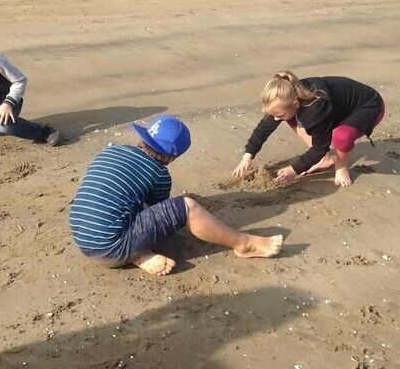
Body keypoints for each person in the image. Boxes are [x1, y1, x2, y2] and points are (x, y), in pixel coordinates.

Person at [70, 115, 284, 276]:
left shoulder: (111, 151)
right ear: (172, 157)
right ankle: (243, 243)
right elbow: (160, 215)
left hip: (82, 237)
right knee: (186, 207)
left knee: (124, 201)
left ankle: (137, 254)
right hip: (111, 247)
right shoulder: (159, 173)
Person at [233, 72, 384, 188]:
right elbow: (264, 128)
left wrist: (294, 170)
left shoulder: (315, 111)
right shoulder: (288, 93)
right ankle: (324, 161)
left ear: (295, 103)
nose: (276, 119)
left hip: (369, 106)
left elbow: (320, 146)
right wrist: (248, 155)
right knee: (288, 116)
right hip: (338, 109)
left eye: (278, 115)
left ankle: (341, 166)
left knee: (341, 137)